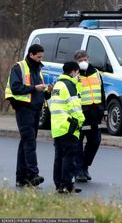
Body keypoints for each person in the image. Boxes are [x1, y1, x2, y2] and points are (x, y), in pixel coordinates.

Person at [5, 44, 53, 187]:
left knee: (25, 143)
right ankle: (33, 175)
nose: (40, 59)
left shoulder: (38, 69)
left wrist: (47, 91)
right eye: (38, 57)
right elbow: (15, 88)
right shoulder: (18, 67)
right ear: (31, 55)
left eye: (41, 57)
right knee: (30, 142)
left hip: (36, 109)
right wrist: (34, 88)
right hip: (23, 109)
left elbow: (41, 91)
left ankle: (21, 177)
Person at [49, 61, 85, 193]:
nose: (78, 75)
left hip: (57, 127)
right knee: (69, 157)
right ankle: (67, 185)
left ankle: (59, 185)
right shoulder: (69, 85)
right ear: (74, 72)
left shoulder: (58, 84)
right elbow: (74, 106)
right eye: (78, 73)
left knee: (59, 157)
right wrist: (81, 121)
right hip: (69, 126)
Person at [74, 50, 106, 182]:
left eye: (85, 59)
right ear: (76, 61)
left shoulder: (96, 73)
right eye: (80, 60)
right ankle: (78, 171)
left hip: (95, 113)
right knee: (78, 143)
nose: (83, 62)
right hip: (81, 113)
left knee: (95, 141)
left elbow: (102, 92)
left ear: (88, 59)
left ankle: (85, 166)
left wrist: (104, 111)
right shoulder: (74, 74)